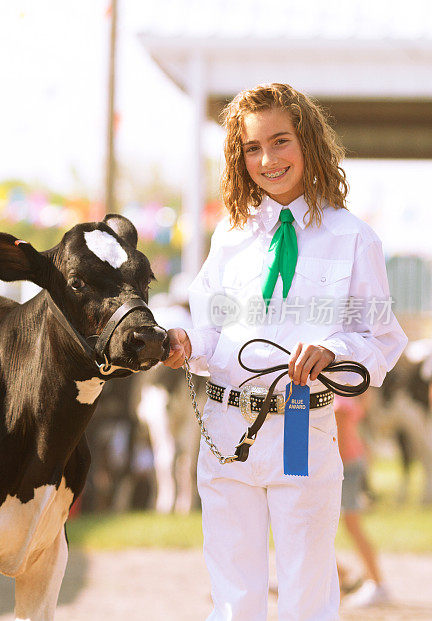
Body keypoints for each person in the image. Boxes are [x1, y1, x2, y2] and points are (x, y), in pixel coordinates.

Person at [163, 83, 407, 620]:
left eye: (280, 141)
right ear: (238, 157)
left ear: (309, 143)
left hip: (302, 424)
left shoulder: (353, 237)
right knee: (234, 596)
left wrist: (334, 348)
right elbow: (211, 332)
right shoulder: (229, 236)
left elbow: (383, 341)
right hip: (227, 432)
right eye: (252, 148)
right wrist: (184, 343)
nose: (268, 160)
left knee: (305, 590)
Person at [334, 394, 389, 608]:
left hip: (345, 465)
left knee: (352, 525)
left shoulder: (340, 402)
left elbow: (340, 441)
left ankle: (376, 582)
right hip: (351, 463)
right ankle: (343, 575)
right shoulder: (350, 397)